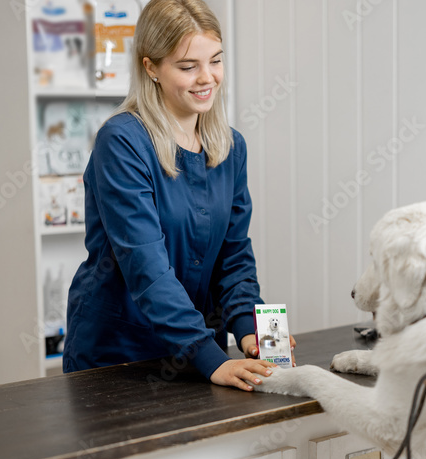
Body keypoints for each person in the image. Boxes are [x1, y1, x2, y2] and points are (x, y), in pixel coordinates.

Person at [63, 0, 290, 392]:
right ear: (151, 68)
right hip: (121, 356)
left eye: (215, 61)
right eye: (188, 67)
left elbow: (233, 257)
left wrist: (252, 329)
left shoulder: (230, 146)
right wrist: (208, 356)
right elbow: (145, 266)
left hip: (201, 355)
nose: (208, 78)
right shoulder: (121, 142)